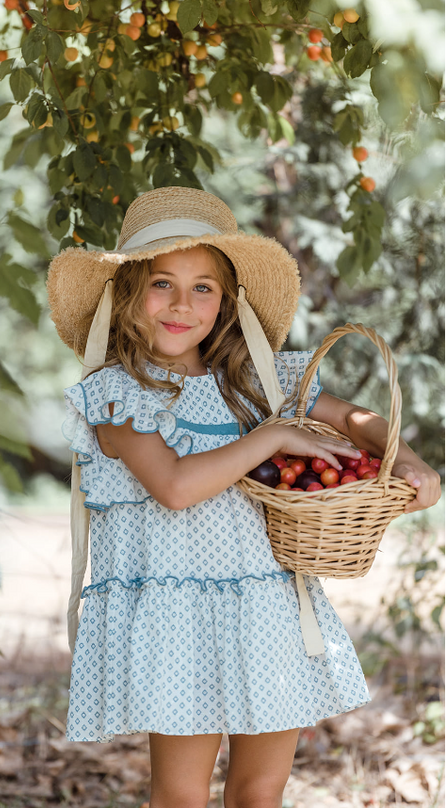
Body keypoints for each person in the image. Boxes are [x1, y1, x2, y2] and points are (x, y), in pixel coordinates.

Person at [47, 187, 440, 808]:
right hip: (174, 617)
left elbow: (356, 418)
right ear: (126, 296)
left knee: (260, 790)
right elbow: (175, 487)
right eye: (161, 284)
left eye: (203, 287)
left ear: (226, 302)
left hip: (268, 608)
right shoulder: (118, 396)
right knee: (180, 793)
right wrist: (273, 435)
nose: (182, 305)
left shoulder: (256, 380)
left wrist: (411, 463)